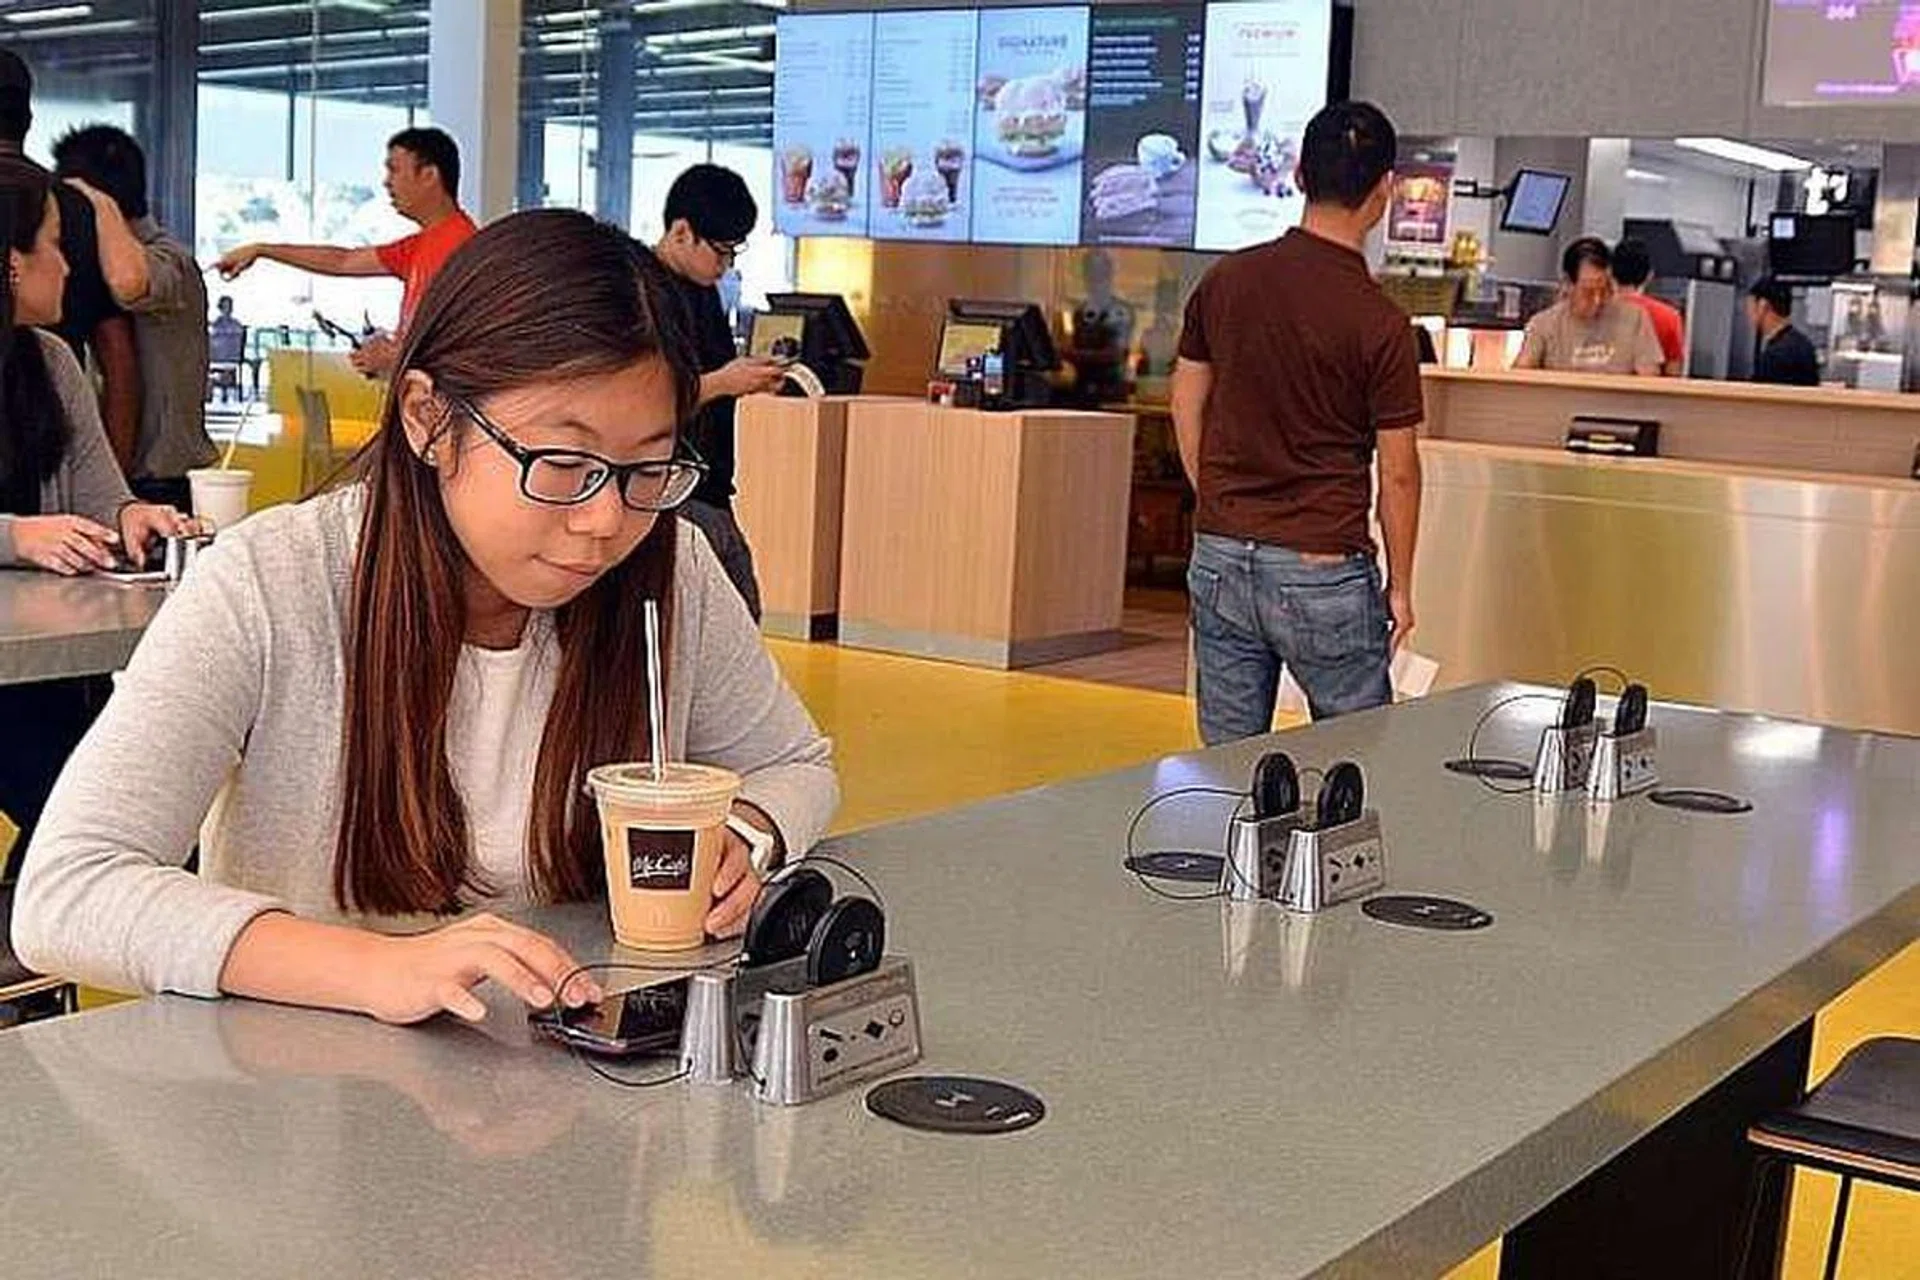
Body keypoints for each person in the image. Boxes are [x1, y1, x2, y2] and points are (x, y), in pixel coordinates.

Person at [14, 208, 838, 1026]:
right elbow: (69, 888)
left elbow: (796, 763)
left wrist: (747, 834)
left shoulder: (672, 573)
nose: (605, 521)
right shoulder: (272, 584)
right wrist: (380, 968)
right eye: (562, 463)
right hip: (304, 1101)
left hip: (577, 1074)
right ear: (427, 417)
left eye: (646, 466)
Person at [1171, 101, 1423, 744]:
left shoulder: (1226, 280)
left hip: (1222, 553)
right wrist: (1401, 588)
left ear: (1301, 174)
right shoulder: (1382, 323)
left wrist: (1217, 497)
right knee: (1356, 766)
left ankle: (1236, 847)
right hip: (1323, 565)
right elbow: (1398, 474)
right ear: (1384, 191)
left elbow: (1186, 396)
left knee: (1226, 765)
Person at [0, 155, 190, 865]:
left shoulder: (51, 361)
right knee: (88, 818)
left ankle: (41, 955)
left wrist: (133, 518)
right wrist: (22, 537)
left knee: (124, 812)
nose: (69, 266)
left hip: (46, 672)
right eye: (52, 243)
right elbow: (35, 534)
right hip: (13, 684)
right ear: (10, 264)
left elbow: (104, 496)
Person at [214, 127, 476, 379]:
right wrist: (262, 250)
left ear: (429, 175)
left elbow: (463, 346)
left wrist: (395, 358)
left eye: (394, 170)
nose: (386, 182)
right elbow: (342, 261)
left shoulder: (463, 247)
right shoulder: (419, 245)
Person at [52, 124, 214, 514]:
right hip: (122, 485)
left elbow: (129, 283)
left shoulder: (169, 260)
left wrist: (93, 201)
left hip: (159, 487)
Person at [650, 163, 786, 621]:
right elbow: (642, 400)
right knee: (723, 625)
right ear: (682, 231)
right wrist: (723, 382)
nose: (726, 265)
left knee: (741, 622)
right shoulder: (641, 293)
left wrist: (742, 379)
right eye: (721, 251)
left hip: (710, 488)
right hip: (667, 491)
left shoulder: (704, 292)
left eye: (734, 254)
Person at [0, 49, 139, 472]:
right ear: (27, 118)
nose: (62, 264)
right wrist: (116, 473)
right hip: (56, 450)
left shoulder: (52, 204)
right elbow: (117, 354)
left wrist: (109, 494)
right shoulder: (71, 204)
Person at [1512, 237, 1664, 376]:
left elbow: (1650, 380)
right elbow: (1521, 378)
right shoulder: (1544, 324)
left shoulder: (1635, 319)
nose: (1597, 301)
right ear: (1568, 284)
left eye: (1605, 291)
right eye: (1588, 292)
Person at [1611, 236, 1685, 376]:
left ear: (1611, 272)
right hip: (1647, 396)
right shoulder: (1669, 317)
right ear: (1649, 275)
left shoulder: (1596, 312)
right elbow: (1674, 376)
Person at [1747, 276, 1820, 387]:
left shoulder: (1776, 354)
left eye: (1750, 306)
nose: (1748, 314)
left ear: (1763, 306)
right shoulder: (1803, 344)